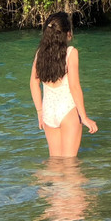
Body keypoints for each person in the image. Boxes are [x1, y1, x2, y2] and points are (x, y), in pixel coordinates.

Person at [30, 12, 97, 157]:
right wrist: (84, 117)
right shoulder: (71, 53)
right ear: (67, 33)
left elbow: (33, 83)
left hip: (48, 112)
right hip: (67, 110)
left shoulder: (39, 54)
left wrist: (40, 112)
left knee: (55, 161)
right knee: (70, 163)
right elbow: (74, 87)